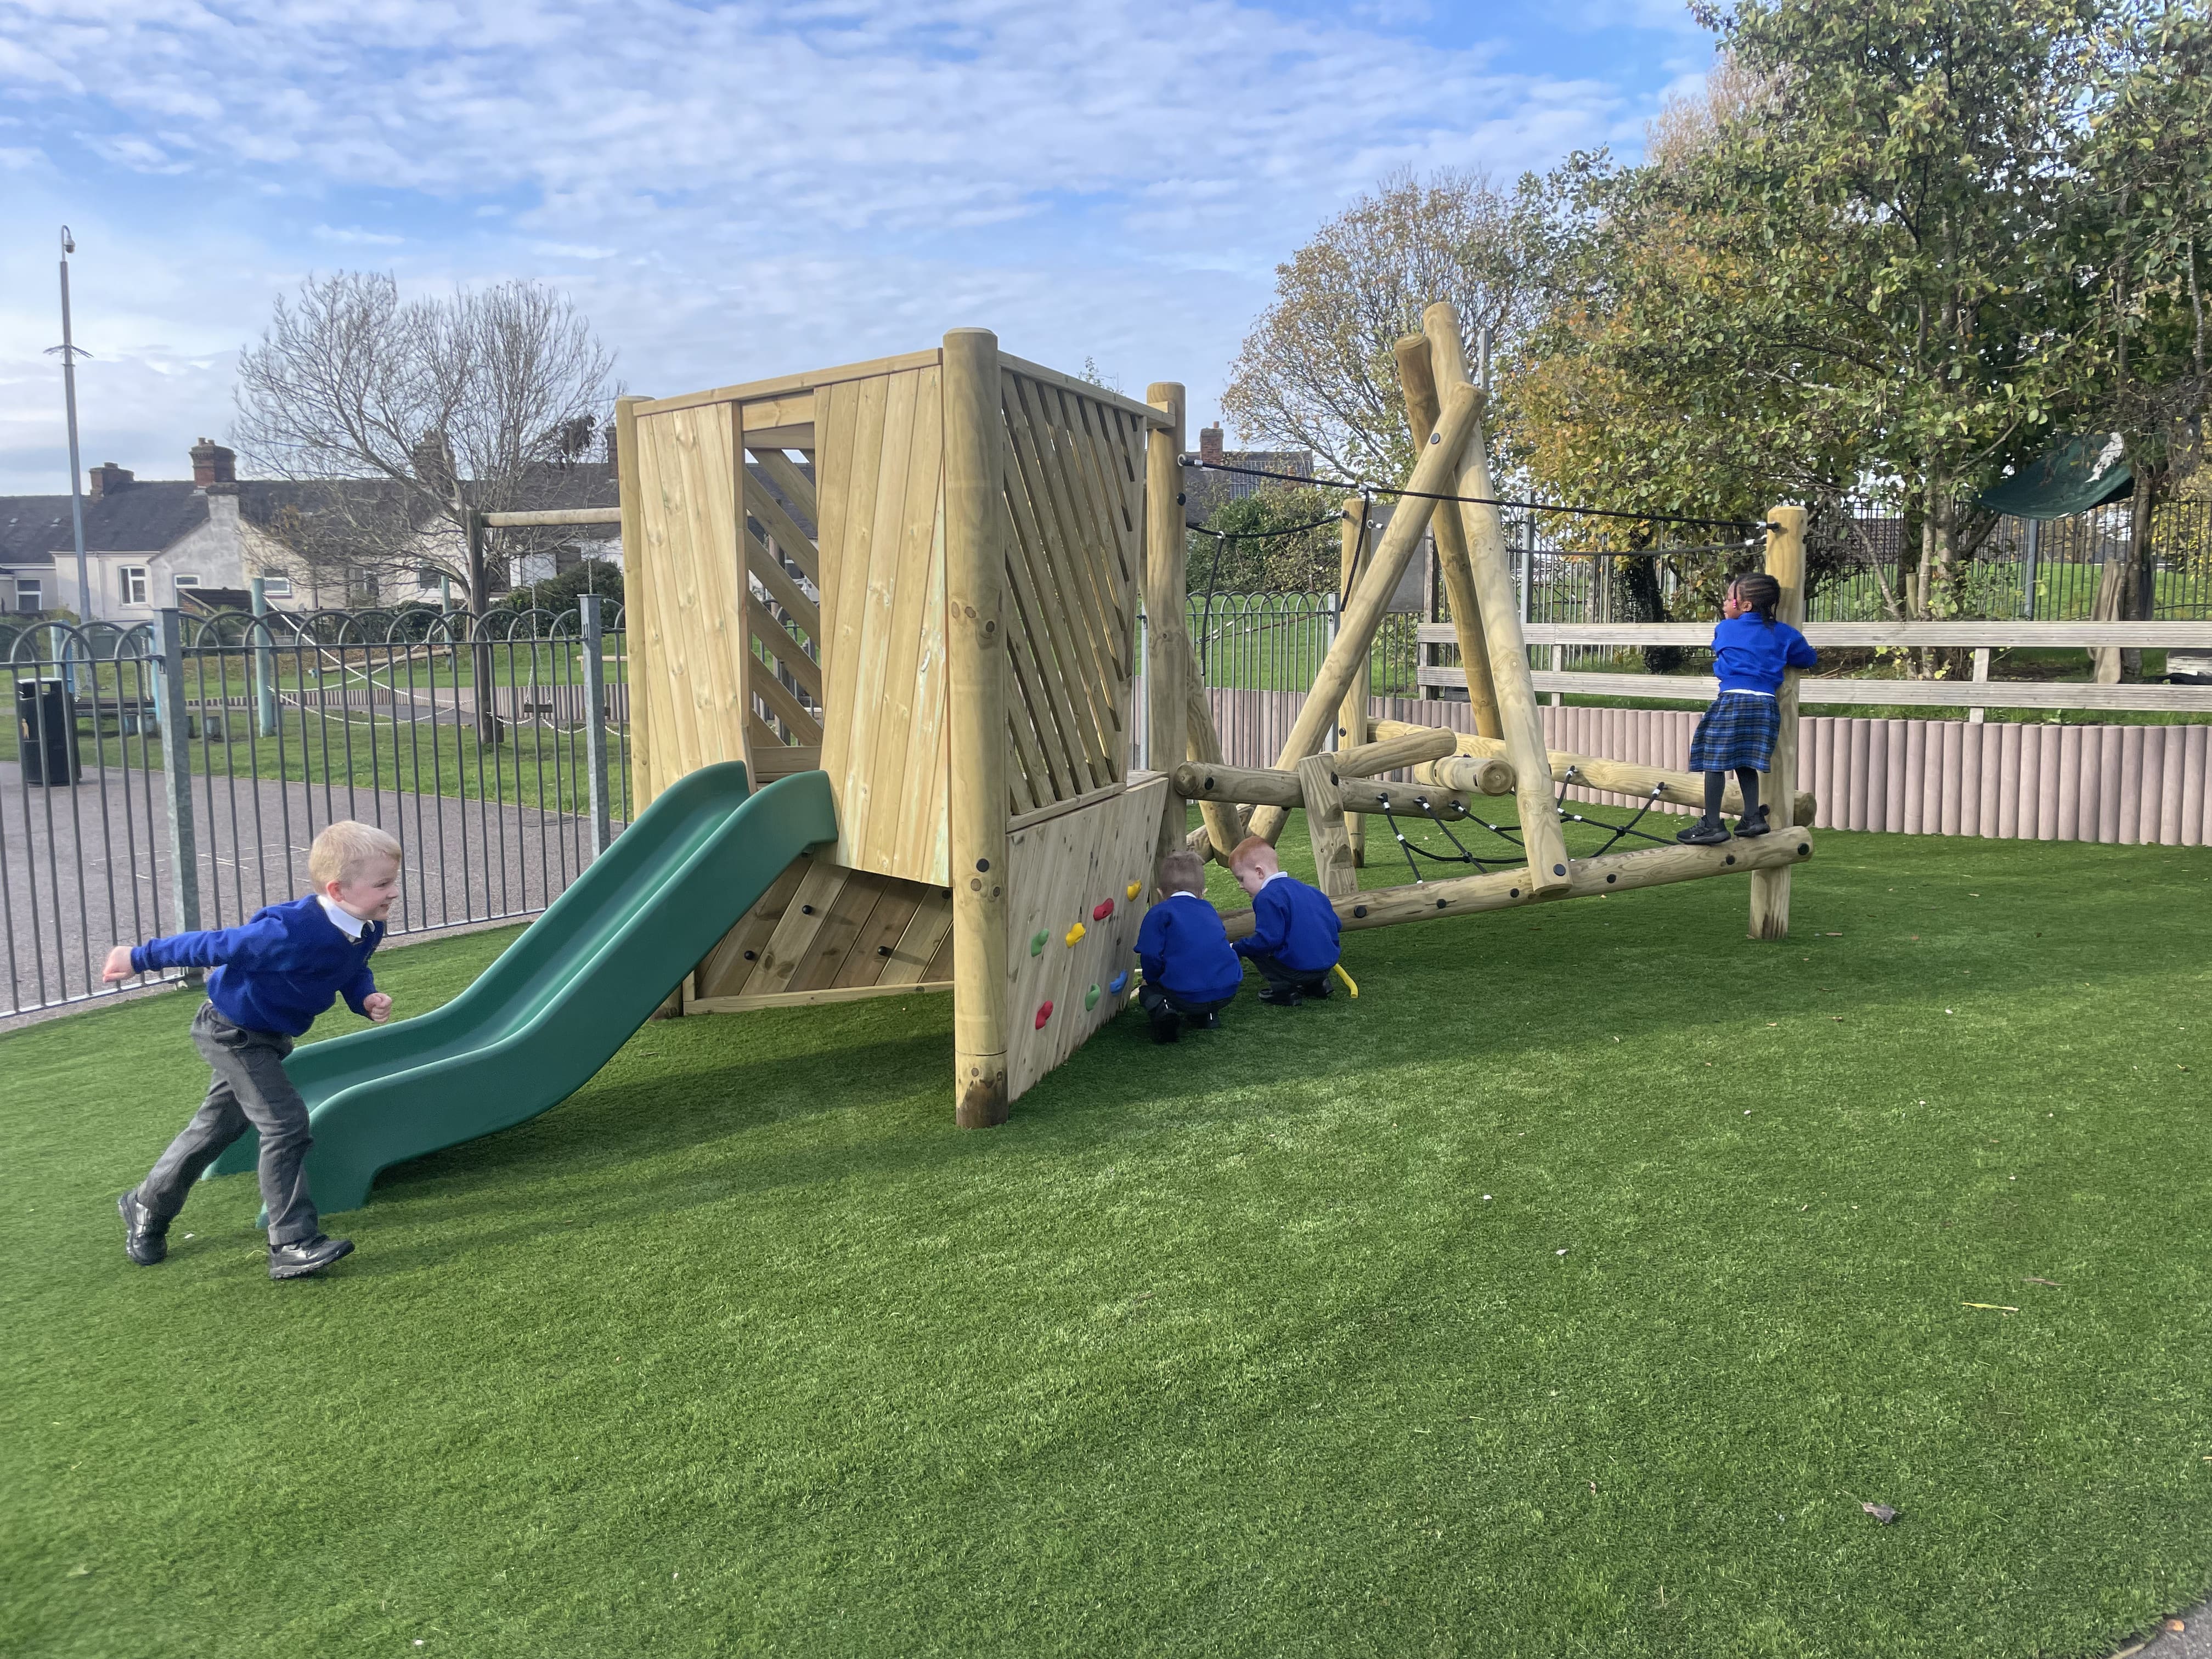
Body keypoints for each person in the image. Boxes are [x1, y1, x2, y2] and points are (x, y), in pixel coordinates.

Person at [106, 820, 403, 1280]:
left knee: (216, 1129)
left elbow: (349, 969)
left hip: (267, 1037)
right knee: (285, 1125)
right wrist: (138, 957)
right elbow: (213, 944)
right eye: (382, 884)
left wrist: (364, 998)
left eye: (392, 882)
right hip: (231, 1032)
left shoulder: (365, 927)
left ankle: (147, 1203)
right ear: (337, 890)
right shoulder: (288, 931)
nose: (392, 893)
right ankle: (292, 1242)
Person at [1677, 572, 1818, 846]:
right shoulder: (1785, 633)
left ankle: (1712, 823)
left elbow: (1720, 651)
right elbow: (1808, 658)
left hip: (1733, 699)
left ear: (1746, 606)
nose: (1725, 602)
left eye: (1730, 599)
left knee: (1714, 760)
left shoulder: (1726, 628)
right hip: (1765, 704)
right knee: (1746, 760)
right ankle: (1753, 816)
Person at [1133, 849, 1242, 1044]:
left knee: (1148, 991)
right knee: (1203, 971)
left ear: (1160, 893)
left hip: (1185, 995)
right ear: (1203, 893)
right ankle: (1209, 1016)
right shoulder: (1208, 909)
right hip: (1227, 990)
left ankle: (1165, 1010)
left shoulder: (1159, 913)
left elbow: (1150, 955)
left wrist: (1151, 980)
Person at [1225, 836, 1342, 1007]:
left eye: (1241, 879)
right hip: (1326, 966)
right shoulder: (1310, 890)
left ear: (1259, 872)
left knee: (1256, 948)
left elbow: (1268, 940)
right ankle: (1319, 985)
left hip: (1297, 971)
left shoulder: (1267, 897)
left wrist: (1237, 947)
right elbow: (1337, 924)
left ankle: (1285, 991)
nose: (1240, 886)